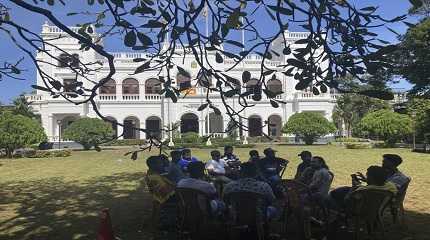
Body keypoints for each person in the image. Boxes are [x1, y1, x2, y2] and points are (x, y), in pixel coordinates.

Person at [330, 166, 398, 209]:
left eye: (368, 176)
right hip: (377, 207)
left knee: (332, 195)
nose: (367, 177)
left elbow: (347, 200)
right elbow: (376, 185)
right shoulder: (391, 186)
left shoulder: (363, 190)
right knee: (344, 189)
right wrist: (367, 180)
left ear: (372, 178)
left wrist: (354, 187)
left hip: (360, 210)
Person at [145, 156, 177, 230]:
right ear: (154, 165)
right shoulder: (154, 177)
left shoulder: (153, 173)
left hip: (164, 197)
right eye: (160, 163)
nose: (162, 164)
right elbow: (168, 193)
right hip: (167, 199)